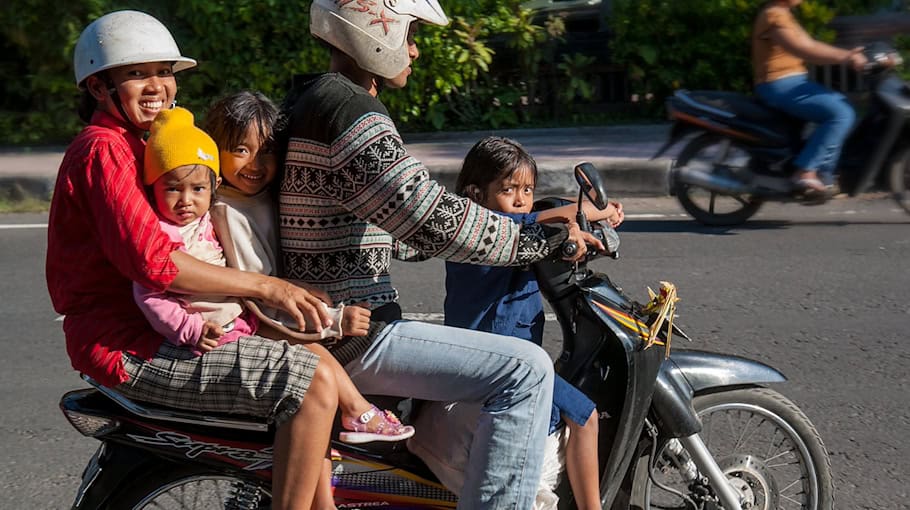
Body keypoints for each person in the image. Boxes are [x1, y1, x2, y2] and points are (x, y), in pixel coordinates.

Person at [279, 1, 602, 507]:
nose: (413, 48)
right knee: (529, 369)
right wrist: (541, 241)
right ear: (372, 31)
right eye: (408, 34)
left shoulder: (314, 99)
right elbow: (431, 218)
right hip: (355, 334)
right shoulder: (349, 111)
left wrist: (522, 228)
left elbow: (389, 228)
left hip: (333, 323)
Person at [46, 11, 340, 509]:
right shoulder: (103, 151)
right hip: (130, 343)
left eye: (164, 71)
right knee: (307, 383)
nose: (157, 85)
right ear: (99, 86)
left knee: (323, 369)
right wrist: (270, 287)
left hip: (161, 328)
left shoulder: (138, 143)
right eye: (137, 73)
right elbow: (154, 263)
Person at [135, 105, 415, 446]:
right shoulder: (225, 212)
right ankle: (357, 410)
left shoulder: (251, 200)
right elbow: (260, 295)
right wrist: (334, 320)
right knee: (314, 365)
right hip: (245, 322)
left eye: (266, 151)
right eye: (240, 150)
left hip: (246, 316)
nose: (254, 163)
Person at [445, 136, 623, 510]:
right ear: (476, 194)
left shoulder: (516, 232)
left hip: (499, 359)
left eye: (527, 189)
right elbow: (531, 220)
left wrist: (584, 231)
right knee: (585, 414)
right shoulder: (482, 234)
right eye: (509, 189)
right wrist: (594, 215)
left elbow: (542, 220)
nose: (521, 197)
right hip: (498, 362)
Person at [752, 0, 868, 194]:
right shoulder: (774, 15)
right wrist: (846, 57)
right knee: (841, 113)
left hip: (793, 81)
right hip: (779, 83)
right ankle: (806, 172)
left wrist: (849, 55)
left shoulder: (784, 14)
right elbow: (802, 49)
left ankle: (825, 176)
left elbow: (810, 44)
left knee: (843, 107)